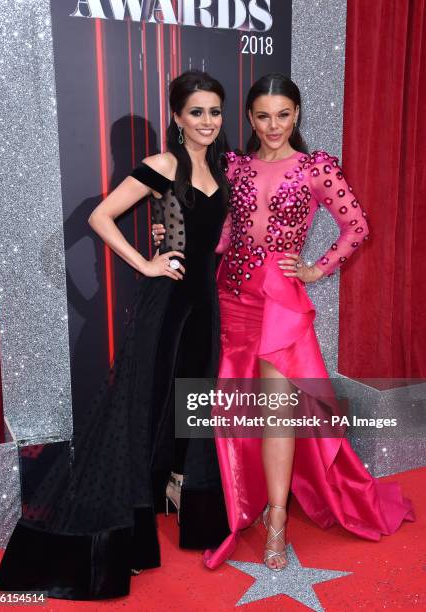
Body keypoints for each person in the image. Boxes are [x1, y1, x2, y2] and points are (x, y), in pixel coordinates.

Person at [0, 70, 230, 600]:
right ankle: (124, 537)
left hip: (204, 308)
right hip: (165, 305)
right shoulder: (163, 165)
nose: (207, 121)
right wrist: (146, 263)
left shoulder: (219, 168)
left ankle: (186, 509)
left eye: (214, 111)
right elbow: (100, 217)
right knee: (137, 410)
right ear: (176, 118)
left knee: (193, 403)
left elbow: (210, 235)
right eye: (196, 112)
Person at [201, 73, 415, 572]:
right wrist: (183, 241)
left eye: (283, 114)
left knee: (277, 414)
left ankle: (277, 521)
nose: (273, 125)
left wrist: (317, 267)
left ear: (296, 114)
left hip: (279, 301)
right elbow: (227, 233)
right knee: (236, 408)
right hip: (232, 296)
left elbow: (357, 225)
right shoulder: (235, 167)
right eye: (262, 116)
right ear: (249, 119)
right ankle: (244, 504)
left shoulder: (315, 167)